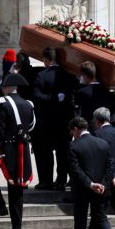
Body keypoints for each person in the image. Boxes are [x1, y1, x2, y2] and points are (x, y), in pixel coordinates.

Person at [0, 73, 35, 229]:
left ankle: (12, 220)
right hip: (22, 149)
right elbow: (31, 126)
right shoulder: (28, 104)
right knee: (14, 186)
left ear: (6, 88)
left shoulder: (1, 103)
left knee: (6, 182)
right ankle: (9, 216)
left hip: (5, 149)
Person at [67, 117, 115, 229]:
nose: (72, 134)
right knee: (101, 218)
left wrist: (90, 184)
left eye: (72, 131)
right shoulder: (103, 143)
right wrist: (103, 183)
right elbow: (110, 167)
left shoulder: (74, 146)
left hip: (82, 189)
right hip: (101, 189)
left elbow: (76, 170)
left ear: (76, 129)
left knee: (80, 222)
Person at [33, 47, 76, 191]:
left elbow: (37, 96)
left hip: (47, 121)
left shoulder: (41, 76)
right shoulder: (68, 75)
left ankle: (47, 181)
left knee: (46, 152)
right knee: (62, 151)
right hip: (64, 121)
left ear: (46, 59)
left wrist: (51, 98)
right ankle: (61, 180)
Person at [75, 61, 115, 129]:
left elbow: (77, 109)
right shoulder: (107, 91)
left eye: (81, 75)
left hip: (89, 127)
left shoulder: (82, 92)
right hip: (104, 127)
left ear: (85, 76)